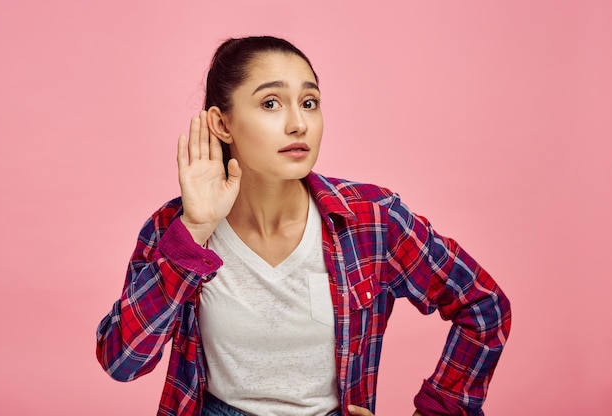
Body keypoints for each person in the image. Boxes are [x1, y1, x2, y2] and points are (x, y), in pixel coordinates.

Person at [96, 36, 511, 416]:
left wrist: (440, 409)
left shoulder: (371, 220)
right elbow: (122, 361)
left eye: (309, 102)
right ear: (222, 124)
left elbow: (484, 306)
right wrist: (196, 229)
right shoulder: (175, 227)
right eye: (271, 103)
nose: (299, 124)